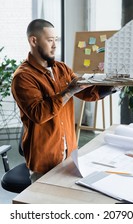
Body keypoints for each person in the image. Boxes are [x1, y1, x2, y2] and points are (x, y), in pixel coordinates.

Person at [11, 19, 116, 182]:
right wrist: (68, 91)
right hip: (45, 162)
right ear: (33, 40)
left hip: (70, 156)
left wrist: (113, 86)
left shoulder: (62, 68)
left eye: (56, 40)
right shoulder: (23, 77)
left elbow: (87, 93)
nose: (55, 45)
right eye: (50, 40)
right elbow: (39, 114)